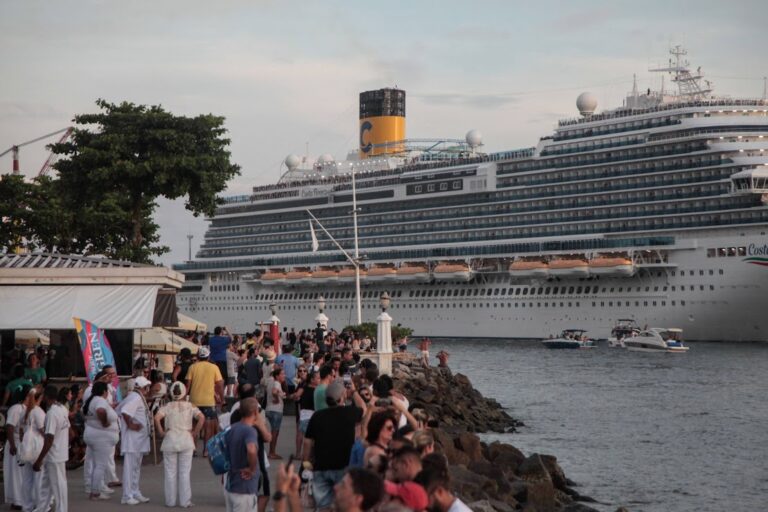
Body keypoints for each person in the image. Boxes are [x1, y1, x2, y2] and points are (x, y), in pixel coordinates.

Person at [303, 381, 365, 510]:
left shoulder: (317, 416)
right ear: (343, 396)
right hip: (343, 466)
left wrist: (306, 462)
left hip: (321, 467)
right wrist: (353, 392)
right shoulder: (350, 413)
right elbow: (363, 408)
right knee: (342, 506)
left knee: (323, 506)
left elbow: (308, 441)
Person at [154, 381, 204, 508]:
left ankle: (170, 501)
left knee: (170, 472)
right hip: (186, 439)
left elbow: (156, 418)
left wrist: (161, 431)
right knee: (184, 472)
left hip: (170, 439)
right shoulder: (190, 406)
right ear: (184, 392)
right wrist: (194, 432)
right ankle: (185, 501)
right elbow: (202, 418)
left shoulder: (167, 406)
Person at [32, 385, 70, 512]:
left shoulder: (52, 413)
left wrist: (39, 459)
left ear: (46, 397)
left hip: (55, 455)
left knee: (58, 486)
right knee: (46, 485)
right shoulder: (62, 409)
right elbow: (67, 430)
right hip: (58, 453)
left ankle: (62, 510)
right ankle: (41, 508)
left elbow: (49, 439)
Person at [117, 376, 153, 505]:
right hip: (133, 440)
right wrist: (131, 425)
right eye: (146, 387)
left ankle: (135, 490)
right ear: (142, 387)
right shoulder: (135, 397)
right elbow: (125, 412)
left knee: (136, 467)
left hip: (139, 440)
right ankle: (127, 495)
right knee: (130, 468)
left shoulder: (137, 397)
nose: (148, 389)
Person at [82, 381, 119, 501]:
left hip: (92, 435)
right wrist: (104, 422)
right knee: (100, 465)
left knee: (96, 464)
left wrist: (94, 422)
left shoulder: (90, 400)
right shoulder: (100, 401)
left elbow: (83, 413)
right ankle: (95, 492)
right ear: (104, 391)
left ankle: (94, 489)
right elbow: (101, 411)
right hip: (101, 438)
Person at [224, 397, 261, 512]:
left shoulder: (231, 428)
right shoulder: (250, 431)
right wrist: (252, 468)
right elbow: (251, 449)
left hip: (232, 484)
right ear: (255, 412)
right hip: (245, 488)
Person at [185, 346, 224, 455]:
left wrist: (183, 399)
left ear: (198, 356)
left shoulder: (192, 367)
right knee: (208, 428)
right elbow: (220, 384)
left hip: (194, 401)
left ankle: (193, 449)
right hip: (208, 401)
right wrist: (222, 399)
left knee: (193, 425)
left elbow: (187, 385)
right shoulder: (214, 367)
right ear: (208, 356)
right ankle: (206, 450)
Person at [21, 387, 45, 512]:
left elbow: (21, 430)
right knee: (39, 477)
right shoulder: (38, 411)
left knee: (28, 478)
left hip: (27, 447)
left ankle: (26, 505)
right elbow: (42, 430)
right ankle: (39, 505)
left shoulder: (25, 411)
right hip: (37, 446)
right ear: (39, 398)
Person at [4, 386, 28, 510]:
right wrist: (13, 445)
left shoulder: (27, 408)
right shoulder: (16, 408)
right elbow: (9, 426)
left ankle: (21, 499)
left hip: (22, 443)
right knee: (15, 473)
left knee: (22, 473)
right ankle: (17, 500)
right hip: (15, 443)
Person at [363, 411, 398, 476]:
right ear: (379, 428)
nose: (393, 430)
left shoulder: (385, 447)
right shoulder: (374, 450)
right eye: (389, 428)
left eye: (394, 428)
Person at [265, 367, 287, 460]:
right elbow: (274, 391)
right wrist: (277, 398)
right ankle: (272, 452)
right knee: (275, 432)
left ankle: (272, 452)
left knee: (274, 431)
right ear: (277, 376)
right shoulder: (277, 383)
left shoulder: (270, 381)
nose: (284, 375)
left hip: (269, 409)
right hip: (276, 410)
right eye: (282, 374)